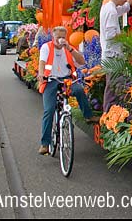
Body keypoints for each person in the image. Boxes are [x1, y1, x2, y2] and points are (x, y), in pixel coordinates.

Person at [37, 26, 100, 155]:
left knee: (79, 90)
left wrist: (70, 48)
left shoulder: (68, 49)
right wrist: (41, 74)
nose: (60, 40)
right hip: (50, 79)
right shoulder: (46, 47)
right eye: (57, 37)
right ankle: (45, 143)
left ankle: (88, 116)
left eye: (62, 37)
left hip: (66, 79)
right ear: (53, 37)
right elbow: (42, 62)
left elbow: (82, 62)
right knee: (49, 110)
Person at [100, 0, 132, 112]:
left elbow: (125, 7)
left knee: (113, 87)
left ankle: (111, 114)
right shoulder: (111, 12)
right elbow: (110, 35)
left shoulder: (108, 7)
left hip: (111, 55)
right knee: (113, 88)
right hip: (112, 56)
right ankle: (108, 115)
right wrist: (128, 41)